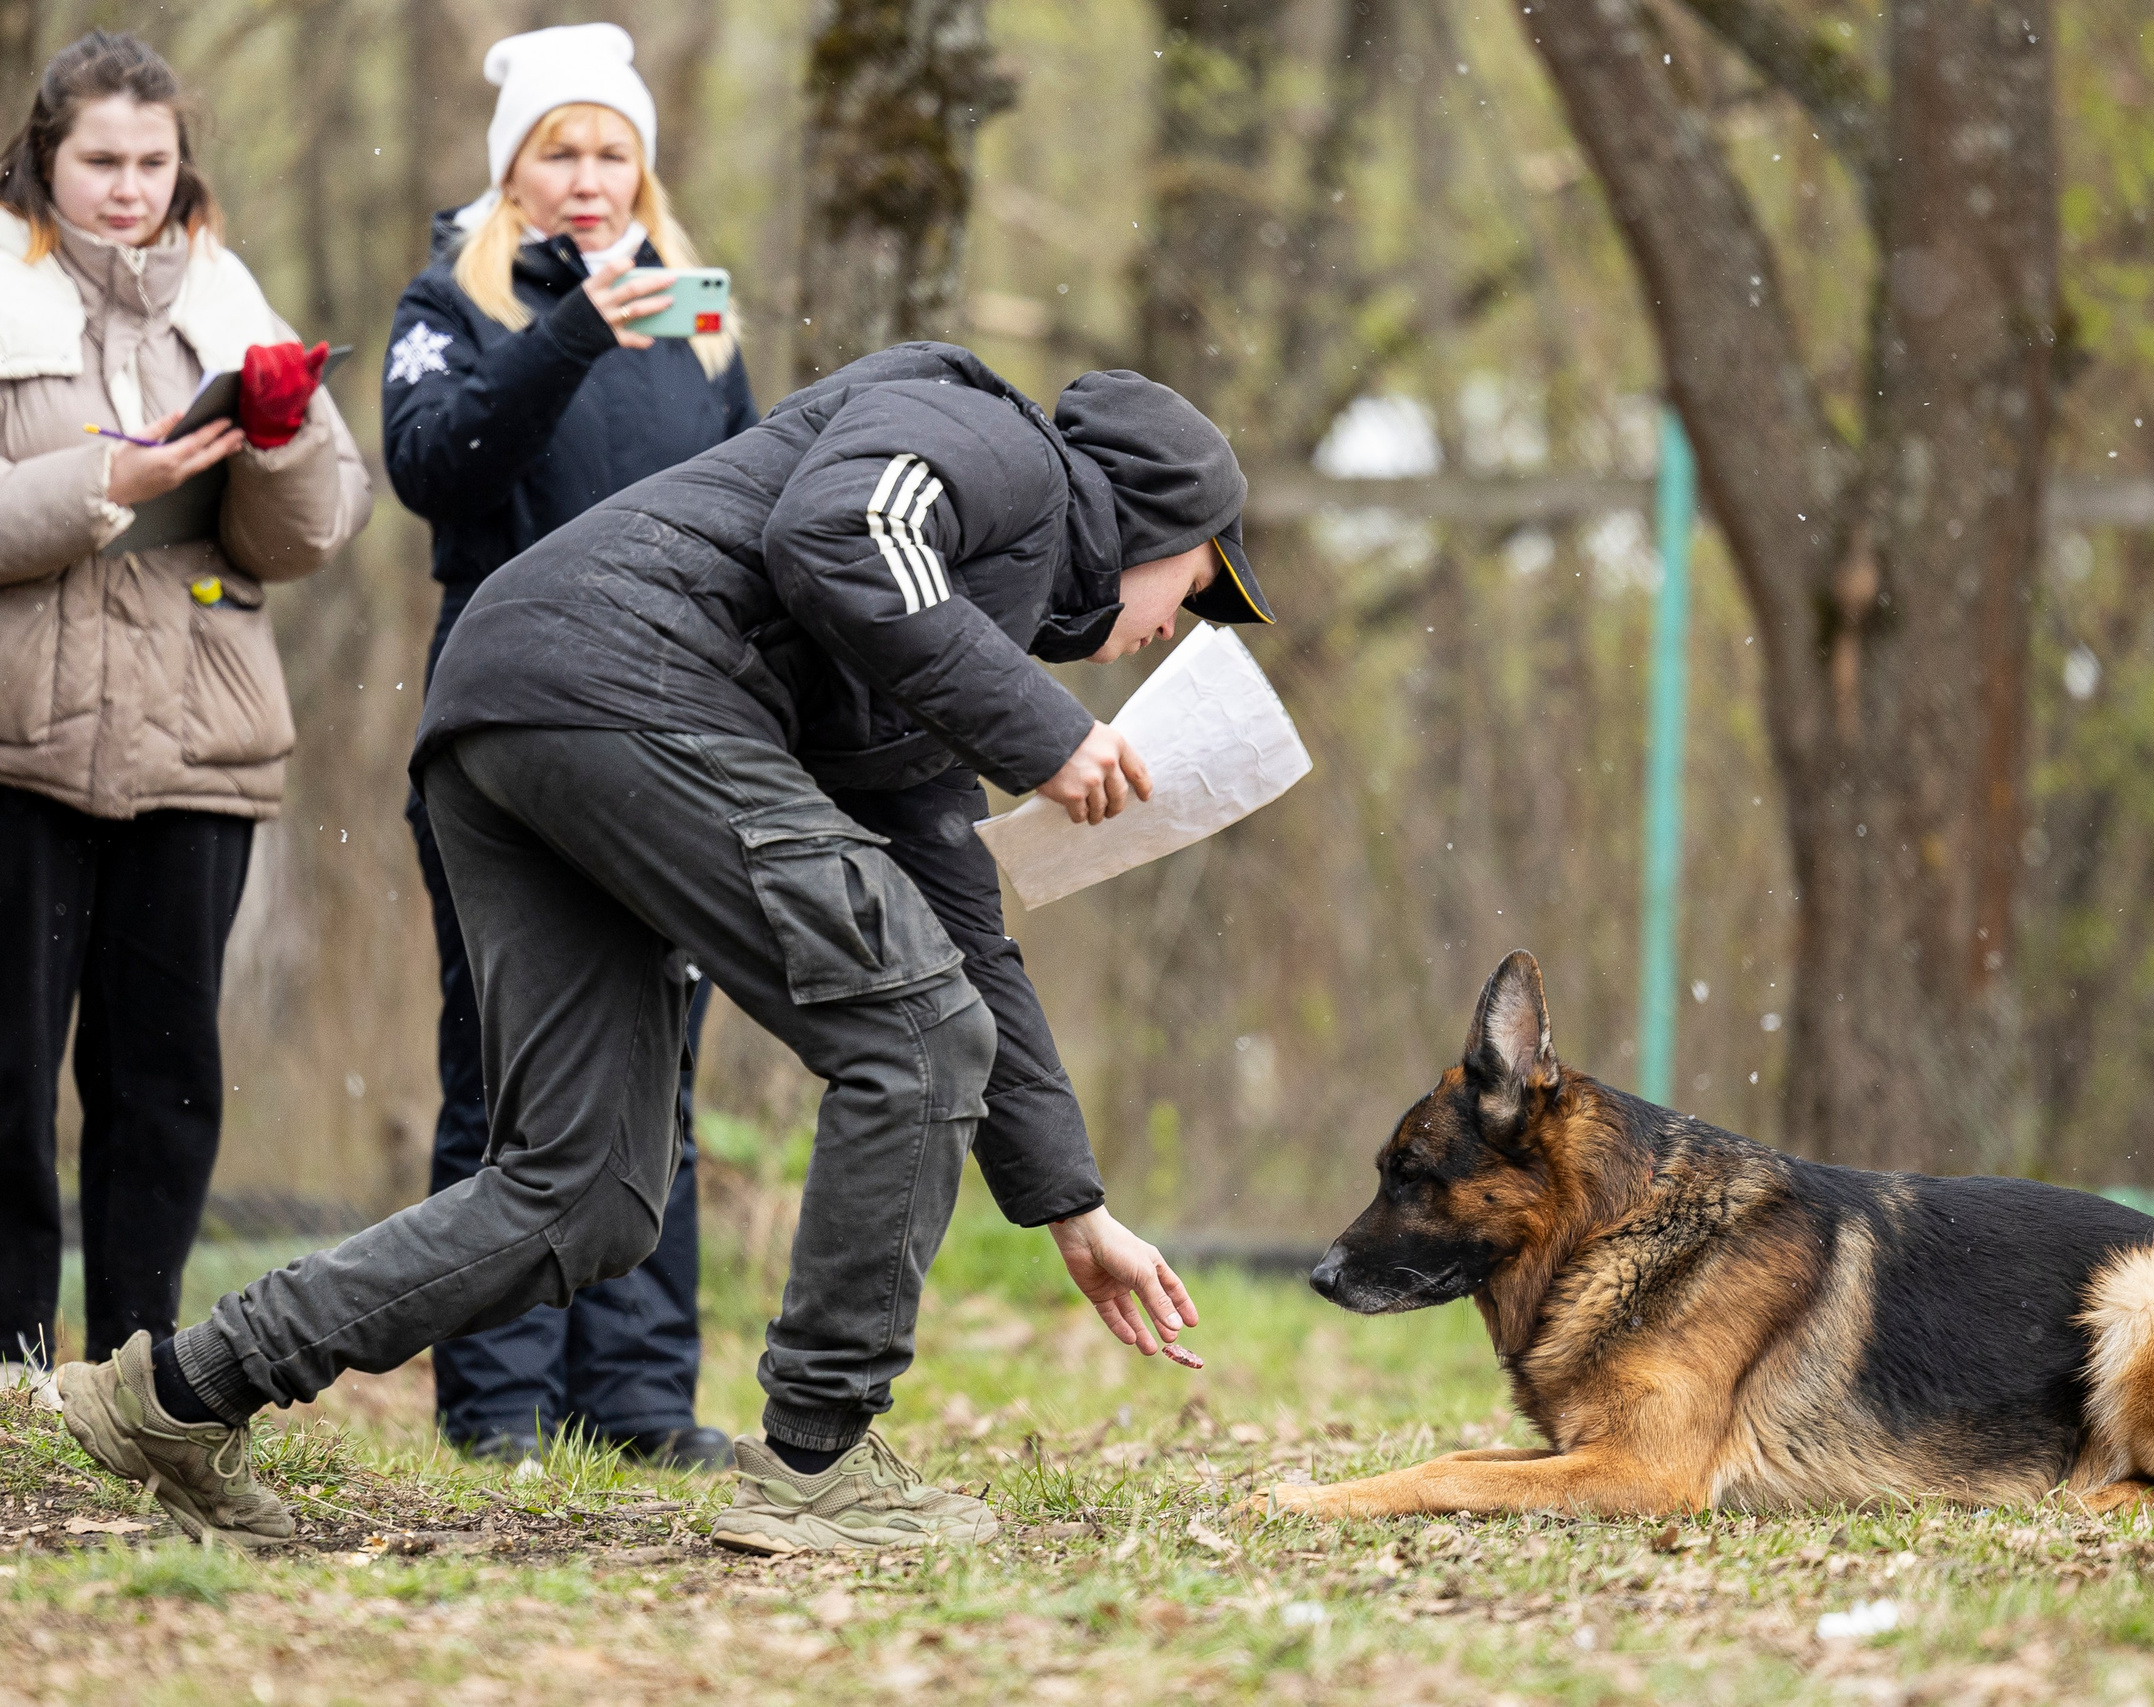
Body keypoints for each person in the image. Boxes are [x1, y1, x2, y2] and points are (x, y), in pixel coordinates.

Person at [61, 338, 1273, 1554]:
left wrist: (1073, 1205)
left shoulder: (942, 658)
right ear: (1145, 518)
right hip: (617, 681)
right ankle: (817, 1459)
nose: (1180, 627)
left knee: (586, 1195)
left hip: (516, 715)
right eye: (1201, 585)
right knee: (907, 1032)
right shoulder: (1006, 453)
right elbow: (842, 534)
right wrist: (1043, 731)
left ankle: (181, 1392)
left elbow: (969, 944)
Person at [383, 23, 756, 1471]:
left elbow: (753, 507)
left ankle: (641, 1401)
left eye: (613, 151)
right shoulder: (452, 303)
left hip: (680, 735)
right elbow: (434, 464)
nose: (590, 176)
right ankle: (497, 1409)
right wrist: (573, 329)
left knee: (658, 1070)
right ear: (515, 172)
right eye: (561, 150)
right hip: (505, 739)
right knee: (508, 1074)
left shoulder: (700, 325)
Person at [0, 31, 370, 1403]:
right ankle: (13, 1365)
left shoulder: (231, 299)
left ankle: (143, 1377)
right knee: (7, 1073)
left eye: (153, 162)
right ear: (46, 159)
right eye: (100, 160)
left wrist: (276, 436)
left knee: (164, 1079)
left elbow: (312, 534)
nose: (128, 188)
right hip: (18, 733)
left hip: (198, 742)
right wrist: (110, 478)